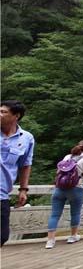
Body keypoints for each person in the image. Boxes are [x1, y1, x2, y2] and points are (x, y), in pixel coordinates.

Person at [45, 140, 83, 248]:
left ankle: (50, 240)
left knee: (54, 214)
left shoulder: (68, 156)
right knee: (75, 213)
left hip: (60, 188)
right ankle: (73, 236)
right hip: (76, 188)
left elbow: (58, 172)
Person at [1, 100, 34, 246]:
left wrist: (23, 189)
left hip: (2, 194)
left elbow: (25, 165)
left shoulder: (26, 138)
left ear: (16, 116)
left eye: (3, 112)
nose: (0, 114)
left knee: (2, 236)